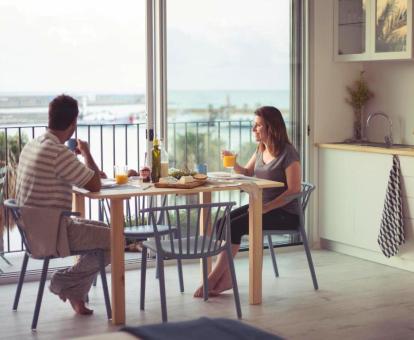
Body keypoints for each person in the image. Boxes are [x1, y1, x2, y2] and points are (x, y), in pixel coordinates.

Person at [16, 94, 110, 315]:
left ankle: (75, 292)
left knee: (107, 231)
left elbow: (73, 176)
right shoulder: (58, 152)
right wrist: (86, 152)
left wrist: (77, 163)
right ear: (73, 123)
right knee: (116, 239)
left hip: (33, 230)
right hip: (53, 232)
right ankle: (63, 281)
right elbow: (95, 184)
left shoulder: (35, 144)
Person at [194, 106, 301, 297]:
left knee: (235, 227)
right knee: (222, 222)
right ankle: (225, 278)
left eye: (258, 125)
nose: (253, 129)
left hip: (285, 214)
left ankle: (214, 278)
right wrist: (233, 163)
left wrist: (267, 207)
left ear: (272, 127)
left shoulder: (288, 153)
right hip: (261, 207)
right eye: (254, 125)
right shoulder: (260, 149)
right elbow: (247, 172)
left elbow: (294, 189)